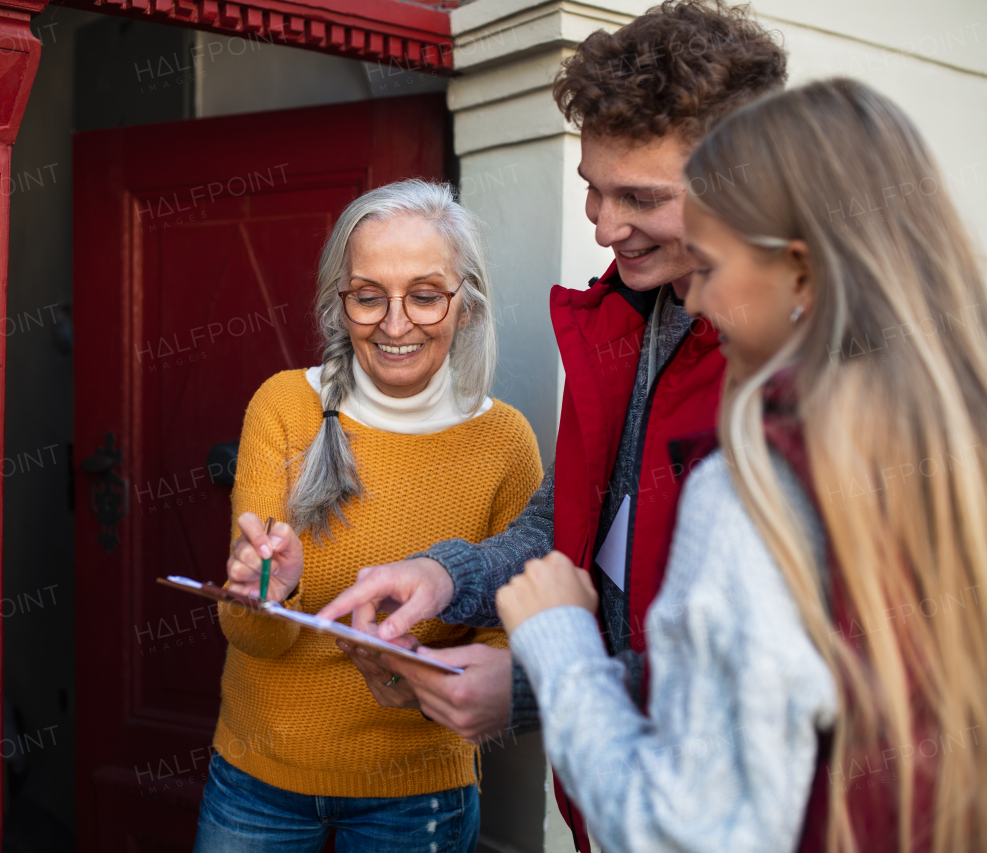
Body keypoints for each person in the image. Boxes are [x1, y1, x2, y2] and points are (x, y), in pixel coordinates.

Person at [319, 2, 786, 845]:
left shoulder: (795, 361)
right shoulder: (628, 313)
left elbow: (781, 670)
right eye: (592, 191)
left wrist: (537, 684)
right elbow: (578, 518)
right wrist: (444, 575)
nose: (605, 228)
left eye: (640, 197)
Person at [497, 77, 987, 852]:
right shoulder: (962, 441)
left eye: (711, 262)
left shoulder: (753, 487)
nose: (694, 296)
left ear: (799, 272)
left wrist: (559, 646)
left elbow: (682, 829)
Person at [193, 179, 543, 853]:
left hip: (418, 793)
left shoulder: (506, 442)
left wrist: (429, 677)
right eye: (368, 295)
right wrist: (271, 590)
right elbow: (252, 634)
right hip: (259, 775)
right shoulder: (283, 408)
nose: (394, 322)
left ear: (465, 305)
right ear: (340, 304)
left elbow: (510, 633)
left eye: (424, 293)